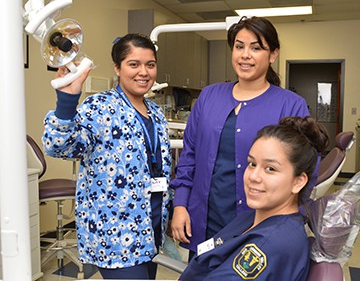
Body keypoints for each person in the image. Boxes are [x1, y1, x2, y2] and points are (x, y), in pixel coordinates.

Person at [170, 16, 314, 259]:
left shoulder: (290, 105)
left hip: (261, 228)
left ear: (273, 54)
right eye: (239, 46)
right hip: (205, 220)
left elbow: (307, 170)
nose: (245, 55)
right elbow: (189, 156)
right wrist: (180, 204)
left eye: (256, 47)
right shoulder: (208, 97)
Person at [42, 33, 172, 279]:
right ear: (118, 68)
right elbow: (59, 146)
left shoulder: (155, 112)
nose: (143, 72)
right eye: (134, 64)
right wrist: (67, 100)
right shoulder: (100, 107)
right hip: (115, 233)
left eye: (150, 64)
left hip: (151, 228)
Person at [180, 116, 329, 280]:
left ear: (298, 182)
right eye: (252, 164)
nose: (254, 177)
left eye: (270, 168)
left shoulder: (272, 244)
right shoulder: (252, 217)